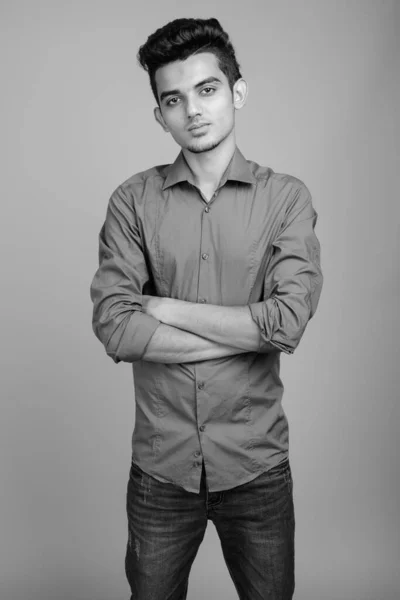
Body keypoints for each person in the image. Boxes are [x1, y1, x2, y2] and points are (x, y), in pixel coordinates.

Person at [90, 17, 323, 600]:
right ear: (160, 114)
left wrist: (165, 307)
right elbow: (116, 327)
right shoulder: (132, 202)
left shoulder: (286, 198)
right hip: (161, 471)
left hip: (256, 467)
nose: (192, 109)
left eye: (207, 89)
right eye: (174, 99)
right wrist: (250, 331)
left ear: (237, 92)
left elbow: (287, 322)